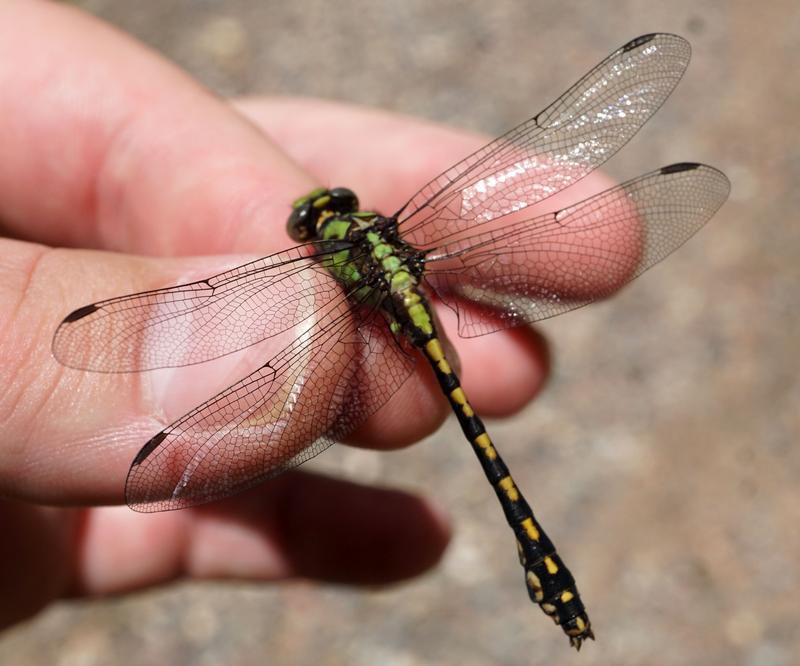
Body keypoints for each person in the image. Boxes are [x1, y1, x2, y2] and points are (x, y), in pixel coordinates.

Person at [0, 1, 617, 630]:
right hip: (415, 315)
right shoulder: (384, 233)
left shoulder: (324, 263)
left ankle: (545, 572)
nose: (322, 214)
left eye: (319, 216)